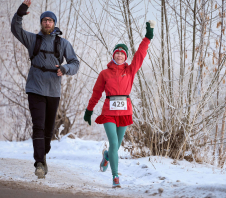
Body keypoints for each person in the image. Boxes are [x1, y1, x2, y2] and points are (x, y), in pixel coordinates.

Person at [11, 0, 79, 179]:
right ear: (41, 23)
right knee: (38, 126)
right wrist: (21, 11)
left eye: (50, 20)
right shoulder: (33, 39)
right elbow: (16, 29)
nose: (47, 23)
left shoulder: (63, 43)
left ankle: (43, 154)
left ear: (54, 24)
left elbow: (75, 63)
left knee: (49, 129)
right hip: (35, 88)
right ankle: (39, 163)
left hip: (53, 90)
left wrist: (65, 69)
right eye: (44, 20)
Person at [84, 20, 155, 188]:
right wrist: (89, 110)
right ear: (113, 55)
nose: (119, 56)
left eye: (122, 54)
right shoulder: (104, 74)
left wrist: (148, 37)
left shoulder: (130, 70)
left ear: (126, 56)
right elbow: (96, 93)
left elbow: (140, 54)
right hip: (109, 111)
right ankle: (115, 176)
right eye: (117, 53)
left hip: (124, 112)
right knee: (114, 143)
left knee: (115, 147)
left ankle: (107, 156)